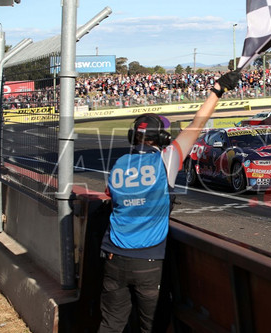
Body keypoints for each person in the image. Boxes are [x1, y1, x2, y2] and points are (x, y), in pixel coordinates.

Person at [98, 70, 240, 333]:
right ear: (163, 139)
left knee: (110, 325)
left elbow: (111, 194)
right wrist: (217, 90)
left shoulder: (118, 164)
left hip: (112, 256)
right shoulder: (166, 158)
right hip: (149, 261)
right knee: (153, 326)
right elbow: (198, 123)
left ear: (133, 137)